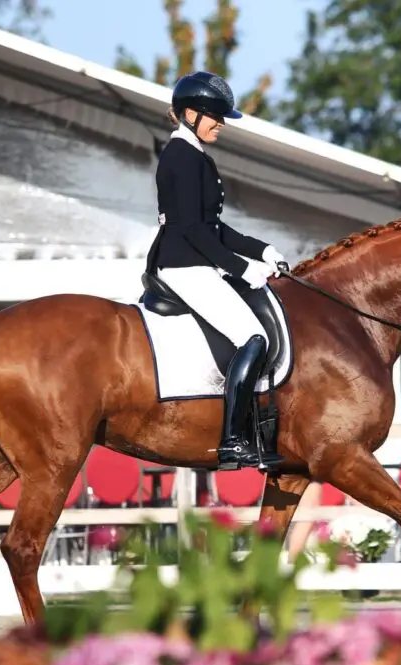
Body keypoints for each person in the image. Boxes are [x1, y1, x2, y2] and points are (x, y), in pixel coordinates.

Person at [145, 71, 286, 472]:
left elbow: (214, 228)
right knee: (254, 338)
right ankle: (232, 442)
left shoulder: (194, 154)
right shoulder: (182, 156)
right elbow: (192, 229)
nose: (221, 123)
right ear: (191, 114)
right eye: (215, 116)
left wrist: (262, 250)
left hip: (193, 258)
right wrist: (242, 269)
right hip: (183, 264)